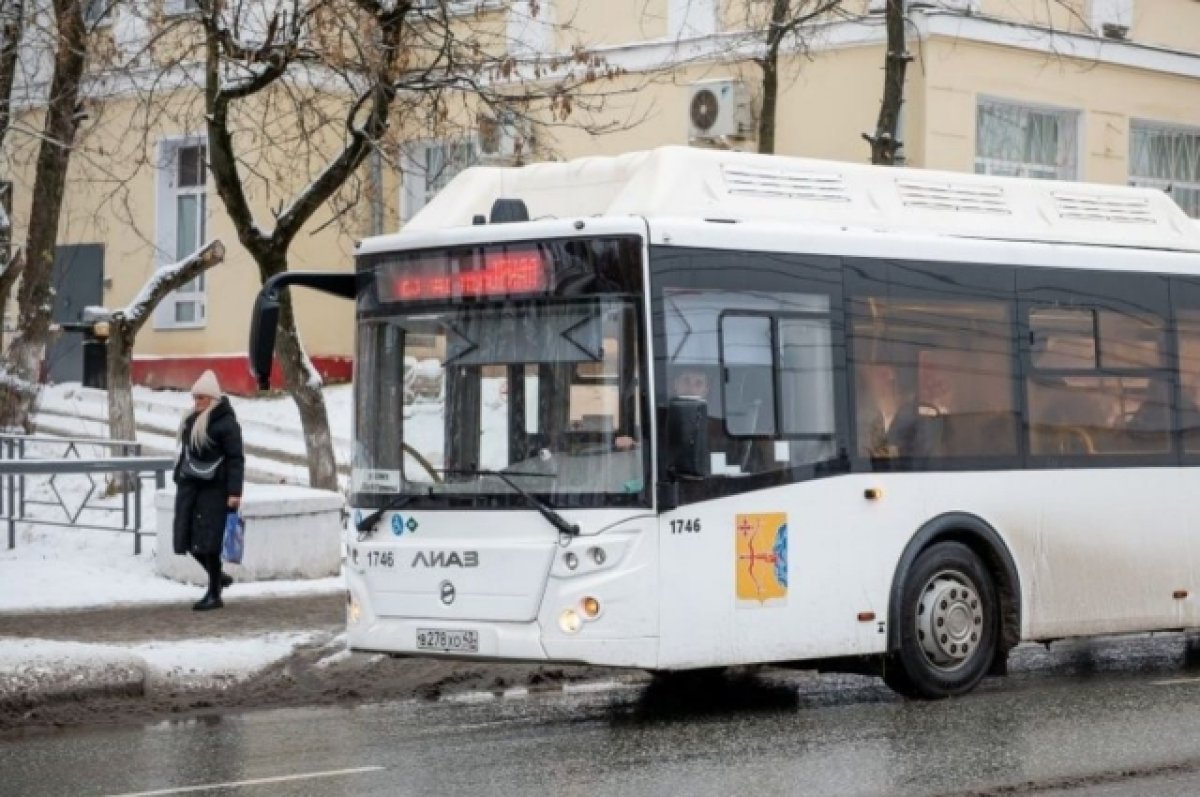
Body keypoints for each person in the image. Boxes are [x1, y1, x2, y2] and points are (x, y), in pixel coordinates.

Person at [174, 370, 245, 611]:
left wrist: (234, 493)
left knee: (209, 544)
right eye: (195, 398)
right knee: (188, 540)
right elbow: (185, 452)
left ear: (213, 399)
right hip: (191, 487)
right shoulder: (191, 420)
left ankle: (214, 593)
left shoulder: (226, 424)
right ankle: (219, 579)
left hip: (215, 491)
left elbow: (236, 459)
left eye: (201, 398)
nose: (197, 403)